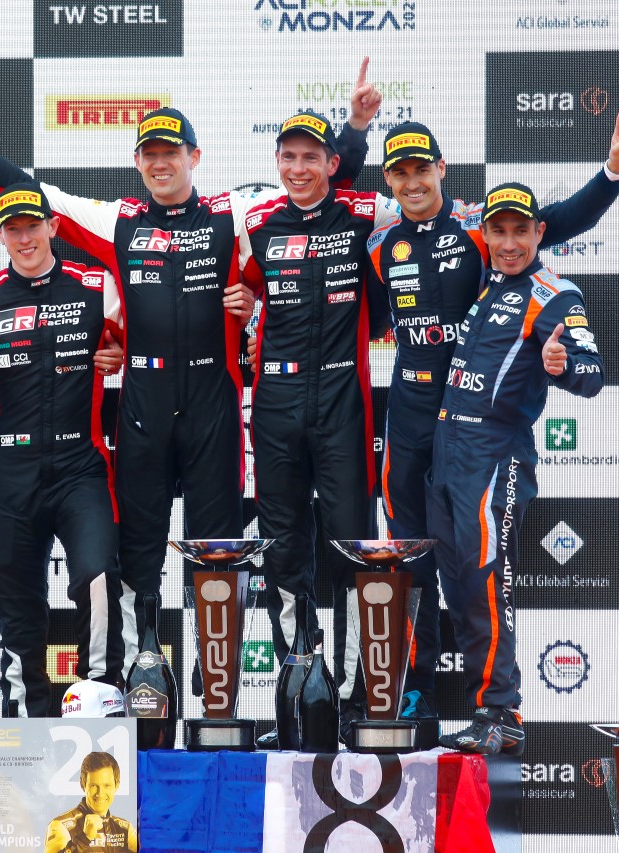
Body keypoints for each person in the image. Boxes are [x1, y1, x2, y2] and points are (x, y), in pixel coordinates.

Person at [0, 61, 380, 670]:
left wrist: (353, 131)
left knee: (217, 553)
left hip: (215, 406)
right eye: (149, 155)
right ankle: (144, 675)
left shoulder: (234, 214)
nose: (161, 164)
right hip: (144, 409)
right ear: (138, 163)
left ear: (194, 156)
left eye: (171, 153)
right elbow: (30, 193)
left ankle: (218, 687)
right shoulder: (121, 221)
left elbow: (317, 186)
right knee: (138, 550)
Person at [365, 106, 619, 738]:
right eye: (399, 172)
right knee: (408, 558)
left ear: (442, 169)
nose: (412, 181)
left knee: (476, 567)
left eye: (421, 169)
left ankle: (497, 705)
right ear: (389, 180)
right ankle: (411, 690)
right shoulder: (380, 244)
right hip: (414, 420)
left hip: (484, 435)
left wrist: (611, 173)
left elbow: (558, 223)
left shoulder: (478, 230)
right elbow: (356, 314)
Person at [238, 110, 400, 745]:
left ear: (334, 164)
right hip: (275, 403)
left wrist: (357, 127)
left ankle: (357, 698)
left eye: (312, 157)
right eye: (289, 157)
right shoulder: (257, 224)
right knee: (282, 547)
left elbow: (433, 217)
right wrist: (243, 305)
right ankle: (297, 689)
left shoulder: (365, 213)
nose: (299, 168)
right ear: (277, 162)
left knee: (351, 545)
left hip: (341, 401)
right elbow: (235, 288)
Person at [428, 183, 605, 754]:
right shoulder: (485, 278)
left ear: (539, 233)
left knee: (484, 579)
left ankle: (501, 711)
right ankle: (490, 709)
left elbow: (592, 374)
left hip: (495, 453)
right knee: (457, 585)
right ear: (484, 234)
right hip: (446, 451)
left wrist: (561, 364)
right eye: (498, 231)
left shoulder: (556, 294)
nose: (509, 243)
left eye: (521, 231)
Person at [0, 184, 126, 717]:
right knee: (16, 601)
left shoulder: (96, 286)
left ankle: (99, 698)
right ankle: (22, 716)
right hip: (12, 473)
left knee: (98, 577)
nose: (25, 238)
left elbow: (144, 341)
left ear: (53, 227)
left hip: (81, 466)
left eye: (34, 226)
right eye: (13, 229)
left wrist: (120, 353)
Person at [45, 752, 137, 853]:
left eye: (107, 786)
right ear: (83, 785)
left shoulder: (125, 829)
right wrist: (85, 838)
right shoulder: (61, 826)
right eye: (93, 786)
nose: (100, 793)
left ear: (117, 786)